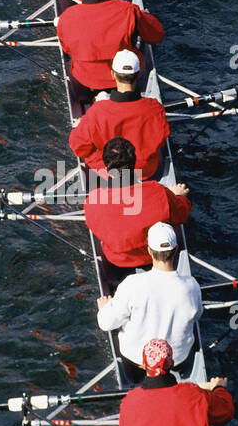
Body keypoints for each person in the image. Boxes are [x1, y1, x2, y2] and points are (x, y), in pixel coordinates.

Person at [97, 223, 203, 381]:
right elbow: (197, 316)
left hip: (135, 358)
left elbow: (106, 324)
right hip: (177, 358)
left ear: (148, 250)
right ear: (176, 249)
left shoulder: (132, 283)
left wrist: (105, 309)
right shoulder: (192, 285)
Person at [83, 136, 191, 283]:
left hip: (117, 261)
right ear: (134, 163)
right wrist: (178, 197)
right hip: (155, 257)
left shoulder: (92, 201)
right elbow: (182, 214)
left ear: (106, 167)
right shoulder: (157, 191)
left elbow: (95, 229)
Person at [57, 0, 164, 106]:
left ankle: (98, 97)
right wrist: (144, 18)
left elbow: (67, 49)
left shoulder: (67, 17)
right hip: (126, 74)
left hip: (85, 76)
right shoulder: (128, 10)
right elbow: (156, 36)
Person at [68, 48, 169, 179]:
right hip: (144, 171)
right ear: (138, 74)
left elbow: (78, 147)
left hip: (110, 171)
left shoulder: (97, 111)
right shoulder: (155, 108)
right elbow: (160, 141)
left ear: (112, 74)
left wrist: (80, 127)